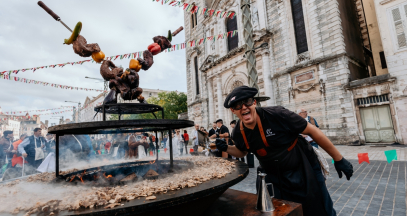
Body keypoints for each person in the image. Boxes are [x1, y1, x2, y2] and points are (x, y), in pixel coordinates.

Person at [215, 86, 353, 216]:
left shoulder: (278, 115)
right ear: (233, 110)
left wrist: (339, 159)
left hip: (304, 168)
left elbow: (312, 130)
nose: (243, 107)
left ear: (254, 102)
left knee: (320, 209)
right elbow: (243, 152)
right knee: (281, 211)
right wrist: (226, 148)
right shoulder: (238, 132)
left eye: (247, 102)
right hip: (273, 176)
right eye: (238, 105)